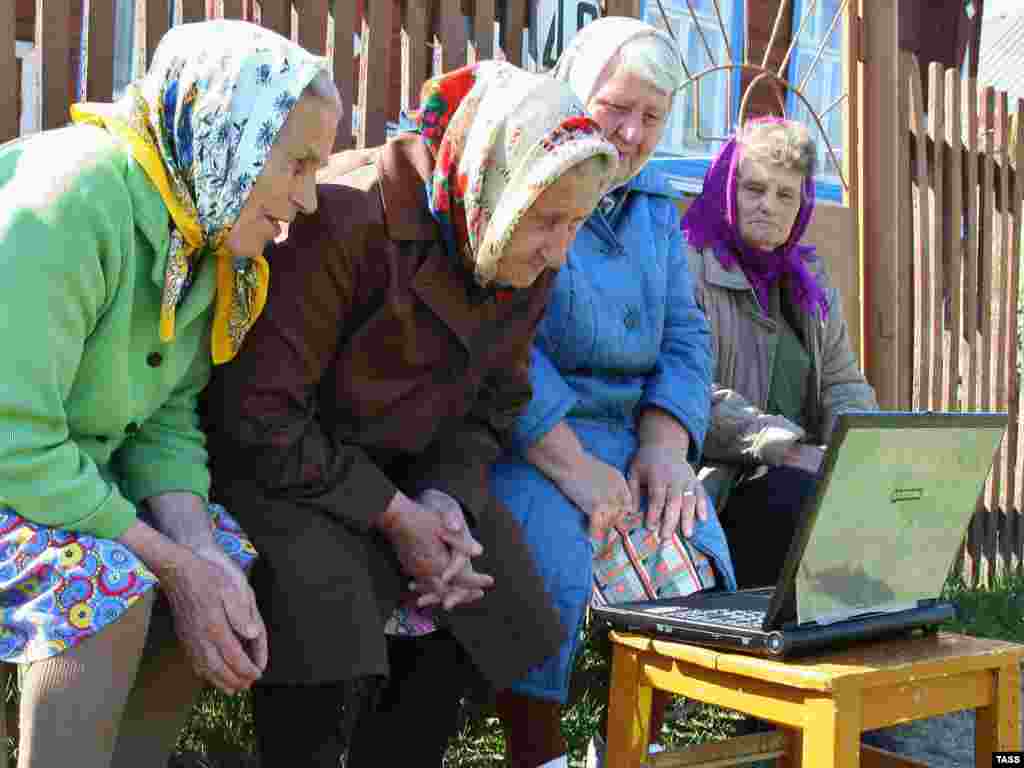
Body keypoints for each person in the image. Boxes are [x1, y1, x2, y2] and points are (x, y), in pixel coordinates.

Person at [202, 60, 619, 768]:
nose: (561, 248)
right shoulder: (347, 214)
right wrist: (395, 514)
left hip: (414, 472)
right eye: (549, 220)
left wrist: (443, 498)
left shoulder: (522, 249)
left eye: (578, 223)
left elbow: (496, 406)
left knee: (480, 572)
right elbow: (259, 414)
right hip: (290, 468)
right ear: (496, 181)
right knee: (323, 591)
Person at [0, 19, 341, 768]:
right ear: (235, 135)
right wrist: (168, 560)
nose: (310, 199)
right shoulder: (72, 202)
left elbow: (166, 416)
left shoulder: (202, 225)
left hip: (53, 479)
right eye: (297, 165)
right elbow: (12, 440)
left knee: (221, 559)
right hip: (13, 468)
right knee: (108, 579)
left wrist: (195, 552)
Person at [486, 18, 738, 768]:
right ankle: (539, 754)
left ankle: (636, 744)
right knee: (552, 564)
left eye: (652, 115)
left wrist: (666, 444)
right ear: (574, 93)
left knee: (686, 542)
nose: (630, 133)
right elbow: (504, 336)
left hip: (632, 435)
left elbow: (688, 338)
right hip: (533, 438)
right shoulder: (536, 176)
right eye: (614, 108)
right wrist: (572, 464)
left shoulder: (657, 205)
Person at [682, 117, 878, 591]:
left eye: (785, 194)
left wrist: (860, 453)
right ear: (729, 186)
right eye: (754, 188)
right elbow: (687, 389)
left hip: (806, 470)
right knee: (803, 502)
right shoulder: (689, 265)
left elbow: (842, 381)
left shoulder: (807, 279)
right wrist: (785, 449)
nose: (768, 205)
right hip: (721, 486)